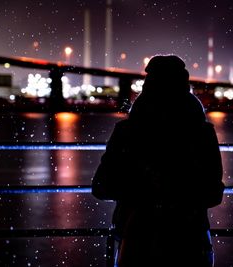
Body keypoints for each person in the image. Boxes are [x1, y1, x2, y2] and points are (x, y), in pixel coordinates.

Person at [92, 55, 224, 267]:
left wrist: (142, 191)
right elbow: (213, 193)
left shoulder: (127, 132)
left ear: (148, 86)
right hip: (190, 239)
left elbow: (101, 187)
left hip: (134, 240)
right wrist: (177, 195)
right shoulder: (201, 133)